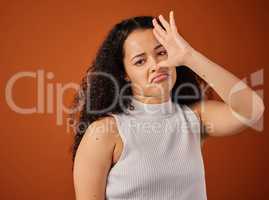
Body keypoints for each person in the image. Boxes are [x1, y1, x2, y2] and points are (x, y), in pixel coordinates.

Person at [71, 11, 264, 200]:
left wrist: (190, 57)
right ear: (125, 74)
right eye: (140, 61)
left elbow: (253, 110)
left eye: (162, 53)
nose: (156, 65)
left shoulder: (195, 117)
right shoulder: (104, 132)